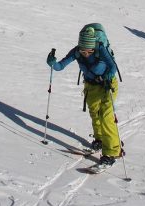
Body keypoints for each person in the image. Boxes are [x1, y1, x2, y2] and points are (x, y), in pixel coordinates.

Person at [46, 24, 122, 170]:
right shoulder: (77, 52)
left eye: (89, 51)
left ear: (93, 47)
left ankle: (111, 152)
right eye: (83, 51)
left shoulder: (100, 49)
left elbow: (113, 67)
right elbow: (60, 66)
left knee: (106, 117)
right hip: (91, 86)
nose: (86, 54)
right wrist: (52, 63)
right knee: (95, 113)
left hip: (107, 86)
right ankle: (99, 140)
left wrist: (108, 76)